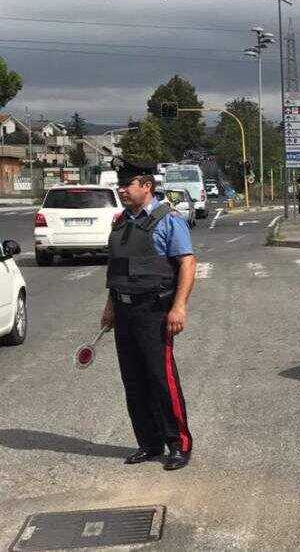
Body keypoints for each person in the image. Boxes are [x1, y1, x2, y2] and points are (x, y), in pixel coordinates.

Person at [101, 160, 197, 471]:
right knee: (133, 379)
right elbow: (118, 268)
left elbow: (187, 263)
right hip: (124, 311)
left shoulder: (169, 220)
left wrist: (179, 306)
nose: (122, 190)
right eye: (120, 184)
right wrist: (110, 306)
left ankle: (179, 444)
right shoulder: (121, 221)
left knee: (161, 377)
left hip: (154, 311)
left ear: (146, 186)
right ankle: (150, 442)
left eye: (127, 184)